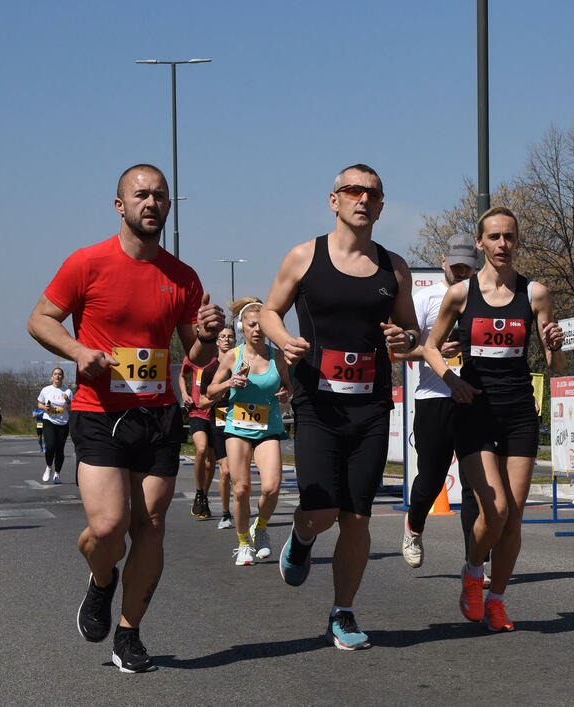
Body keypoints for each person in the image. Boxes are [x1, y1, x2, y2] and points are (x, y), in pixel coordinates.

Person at [27, 163, 224, 673]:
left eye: (161, 196)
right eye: (141, 195)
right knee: (110, 527)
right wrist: (76, 350)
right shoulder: (87, 263)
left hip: (157, 416)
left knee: (151, 526)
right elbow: (39, 318)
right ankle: (101, 580)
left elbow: (196, 357)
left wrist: (204, 332)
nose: (152, 203)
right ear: (120, 206)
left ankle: (129, 634)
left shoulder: (183, 277)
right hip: (99, 413)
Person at [260, 163, 420, 650]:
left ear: (381, 205)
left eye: (372, 193)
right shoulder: (304, 257)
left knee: (357, 516)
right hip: (316, 404)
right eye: (353, 190)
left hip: (371, 406)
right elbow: (269, 312)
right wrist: (285, 340)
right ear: (334, 200)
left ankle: (343, 612)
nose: (362, 199)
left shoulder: (394, 268)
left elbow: (413, 332)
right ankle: (302, 538)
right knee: (321, 509)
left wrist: (404, 337)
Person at [423, 207, 566, 632]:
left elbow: (556, 365)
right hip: (474, 411)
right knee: (496, 508)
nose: (503, 244)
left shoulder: (536, 294)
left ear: (518, 242)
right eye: (495, 237)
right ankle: (472, 571)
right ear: (481, 243)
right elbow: (431, 347)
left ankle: (497, 600)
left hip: (519, 411)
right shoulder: (461, 294)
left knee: (515, 515)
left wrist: (556, 346)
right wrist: (452, 380)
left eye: (510, 237)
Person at [395, 233, 482, 569]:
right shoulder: (426, 297)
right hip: (435, 398)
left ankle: (475, 561)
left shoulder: (484, 298)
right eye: (456, 266)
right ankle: (414, 525)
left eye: (468, 267)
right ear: (443, 262)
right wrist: (435, 352)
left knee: (476, 484)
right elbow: (400, 351)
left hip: (474, 398)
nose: (462, 272)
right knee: (431, 479)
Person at [206, 298, 290, 565]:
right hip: (238, 428)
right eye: (251, 324)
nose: (257, 329)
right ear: (242, 326)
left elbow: (288, 388)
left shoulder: (277, 357)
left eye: (261, 325)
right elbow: (210, 391)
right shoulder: (233, 356)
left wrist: (286, 393)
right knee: (241, 489)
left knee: (272, 487)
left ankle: (261, 527)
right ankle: (243, 542)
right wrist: (230, 382)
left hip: (268, 427)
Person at [197, 326, 237, 529]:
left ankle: (243, 508)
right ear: (217, 342)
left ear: (235, 340)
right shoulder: (210, 370)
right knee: (226, 471)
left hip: (242, 419)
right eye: (222, 337)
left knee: (240, 472)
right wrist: (218, 395)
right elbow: (202, 403)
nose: (227, 339)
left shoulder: (243, 364)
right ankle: (225, 513)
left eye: (230, 336)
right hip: (219, 419)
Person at [179, 348, 218, 519]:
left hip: (217, 413)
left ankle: (204, 496)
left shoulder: (223, 359)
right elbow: (182, 376)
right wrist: (184, 394)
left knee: (211, 460)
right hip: (197, 411)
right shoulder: (194, 356)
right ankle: (199, 491)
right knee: (201, 449)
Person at [38, 368, 72, 484]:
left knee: (59, 450)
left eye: (60, 374)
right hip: (49, 421)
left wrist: (67, 401)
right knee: (50, 446)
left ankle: (57, 474)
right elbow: (39, 403)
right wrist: (44, 408)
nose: (57, 376)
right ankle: (48, 467)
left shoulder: (67, 391)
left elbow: (71, 408)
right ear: (52, 376)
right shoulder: (46, 390)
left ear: (62, 377)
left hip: (63, 423)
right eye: (55, 374)